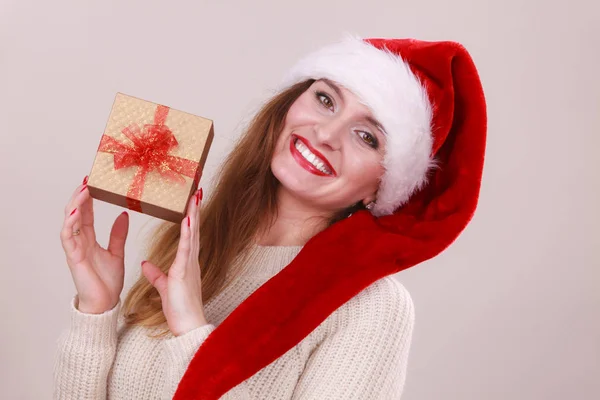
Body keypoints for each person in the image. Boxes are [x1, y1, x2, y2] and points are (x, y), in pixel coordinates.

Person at [53, 33, 486, 400]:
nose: (325, 133)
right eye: (325, 99)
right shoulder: (202, 244)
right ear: (289, 106)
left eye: (366, 136)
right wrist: (97, 310)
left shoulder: (372, 309)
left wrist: (191, 332)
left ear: (383, 186)